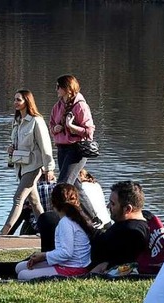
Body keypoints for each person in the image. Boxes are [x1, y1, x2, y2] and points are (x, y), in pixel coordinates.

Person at [0, 181, 150, 279]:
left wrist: (101, 268)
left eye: (112, 204)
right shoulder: (134, 222)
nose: (108, 207)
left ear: (127, 209)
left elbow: (116, 262)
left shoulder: (133, 232)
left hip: (78, 260)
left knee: (48, 221)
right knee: (48, 221)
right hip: (81, 249)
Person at [0, 90, 55, 237]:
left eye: (19, 100)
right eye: (15, 99)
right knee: (35, 202)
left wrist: (49, 168)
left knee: (18, 198)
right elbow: (17, 143)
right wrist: (12, 148)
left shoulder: (36, 121)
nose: (15, 102)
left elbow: (46, 146)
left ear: (27, 101)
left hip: (34, 166)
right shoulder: (17, 122)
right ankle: (46, 231)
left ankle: (4, 232)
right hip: (21, 166)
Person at [49, 74, 100, 225]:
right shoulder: (58, 106)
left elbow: (89, 130)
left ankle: (58, 221)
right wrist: (55, 128)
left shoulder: (80, 106)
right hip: (62, 148)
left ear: (66, 88)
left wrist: (71, 127)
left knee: (63, 185)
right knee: (75, 185)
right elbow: (51, 124)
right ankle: (95, 219)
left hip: (76, 149)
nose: (56, 89)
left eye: (58, 86)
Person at [15, 183, 92, 280]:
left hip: (73, 269)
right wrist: (43, 257)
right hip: (68, 264)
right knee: (19, 267)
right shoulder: (75, 219)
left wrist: (44, 255)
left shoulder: (66, 223)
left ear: (53, 203)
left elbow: (66, 253)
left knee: (22, 274)